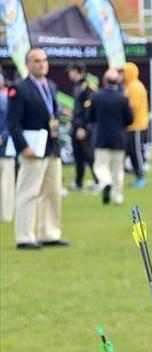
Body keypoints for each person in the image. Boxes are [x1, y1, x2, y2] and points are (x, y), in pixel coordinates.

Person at [6, 48, 68, 249]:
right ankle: (25, 236)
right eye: (36, 61)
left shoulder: (51, 85)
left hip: (51, 148)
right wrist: (23, 147)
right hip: (32, 148)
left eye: (44, 60)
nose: (42, 64)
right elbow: (13, 122)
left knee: (52, 192)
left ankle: (49, 232)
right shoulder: (19, 88)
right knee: (29, 192)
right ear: (28, 65)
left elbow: (53, 114)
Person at [88, 69, 133, 205]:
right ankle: (117, 197)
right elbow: (130, 119)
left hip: (101, 137)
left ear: (104, 81)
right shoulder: (123, 98)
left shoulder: (96, 97)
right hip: (119, 138)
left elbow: (90, 117)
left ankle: (105, 181)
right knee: (118, 169)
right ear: (117, 81)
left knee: (100, 165)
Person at [67, 63, 97, 191]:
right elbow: (79, 110)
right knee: (78, 156)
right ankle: (78, 182)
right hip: (76, 127)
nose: (69, 74)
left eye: (70, 71)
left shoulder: (87, 86)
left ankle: (100, 180)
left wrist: (84, 127)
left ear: (76, 71)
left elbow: (89, 110)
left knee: (90, 156)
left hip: (83, 129)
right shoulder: (77, 86)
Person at [122, 62, 149, 187]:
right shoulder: (130, 86)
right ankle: (137, 176)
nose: (122, 75)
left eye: (124, 72)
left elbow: (132, 107)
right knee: (132, 152)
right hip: (131, 126)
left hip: (137, 126)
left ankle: (141, 177)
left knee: (136, 152)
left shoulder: (135, 87)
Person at [0, 73, 14, 222]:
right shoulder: (7, 99)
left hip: (5, 150)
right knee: (6, 185)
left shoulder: (6, 99)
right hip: (6, 149)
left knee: (7, 185)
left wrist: (3, 137)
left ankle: (7, 216)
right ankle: (6, 215)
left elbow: (11, 123)